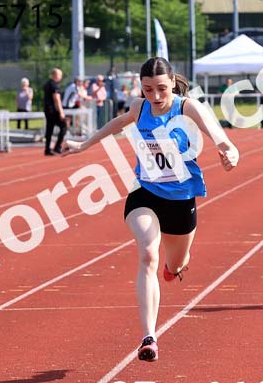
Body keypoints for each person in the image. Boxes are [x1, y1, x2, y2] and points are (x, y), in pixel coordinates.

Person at [62, 57, 239, 362]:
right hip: (144, 193)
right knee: (147, 253)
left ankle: (175, 268)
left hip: (182, 199)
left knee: (176, 262)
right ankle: (149, 337)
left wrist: (228, 149)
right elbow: (117, 123)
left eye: (160, 89)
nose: (155, 97)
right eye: (148, 90)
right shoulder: (139, 106)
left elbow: (216, 132)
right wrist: (83, 145)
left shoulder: (187, 107)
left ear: (172, 82)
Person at [43, 68, 67, 156]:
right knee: (64, 127)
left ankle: (47, 149)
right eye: (60, 75)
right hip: (54, 110)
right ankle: (57, 147)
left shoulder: (47, 84)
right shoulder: (54, 85)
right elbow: (56, 99)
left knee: (49, 129)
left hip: (47, 110)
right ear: (56, 75)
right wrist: (61, 111)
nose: (61, 77)